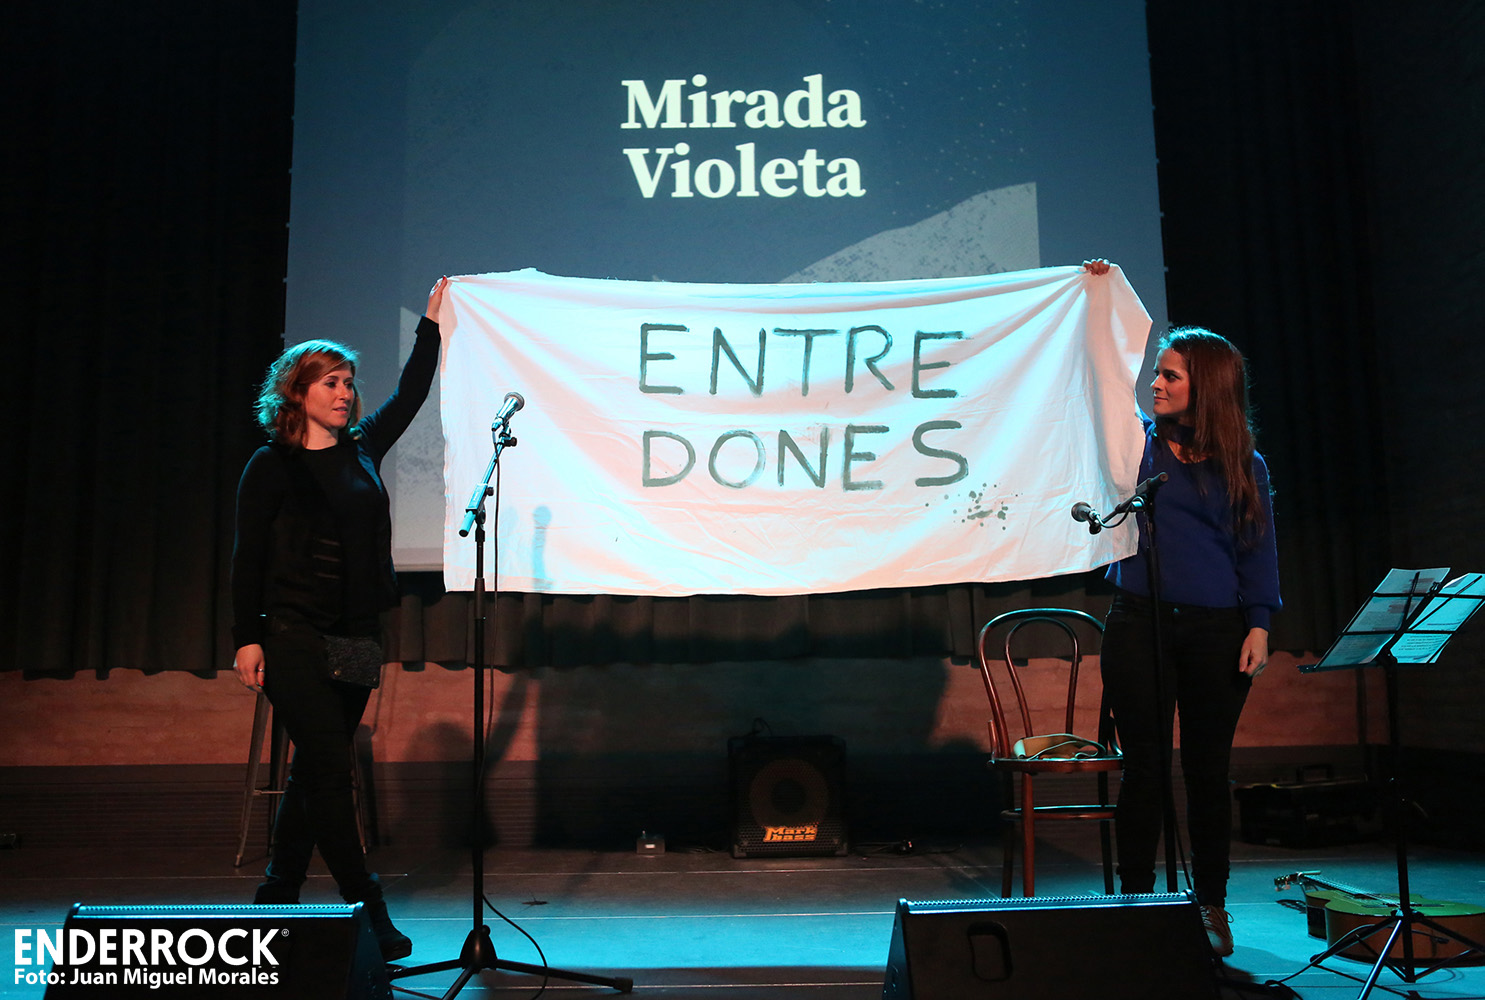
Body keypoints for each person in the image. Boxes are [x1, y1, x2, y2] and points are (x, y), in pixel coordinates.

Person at [231, 277, 449, 962]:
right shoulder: (270, 466)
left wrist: (430, 325)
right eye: (331, 383)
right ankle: (368, 909)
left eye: (349, 383)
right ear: (297, 393)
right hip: (292, 633)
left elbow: (411, 393)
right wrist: (246, 638)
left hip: (357, 637)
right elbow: (246, 558)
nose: (345, 393)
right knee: (330, 772)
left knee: (314, 772)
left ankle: (277, 893)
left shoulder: (363, 449)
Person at [1083, 262, 1281, 959]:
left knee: (1205, 771)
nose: (1156, 383)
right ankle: (1137, 903)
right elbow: (1099, 378)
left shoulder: (1244, 465)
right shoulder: (1134, 446)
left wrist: (1259, 622)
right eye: (1157, 373)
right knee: (1143, 768)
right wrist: (1099, 297)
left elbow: (1257, 549)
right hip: (1139, 623)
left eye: (1169, 375)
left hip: (1218, 631)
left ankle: (1211, 905)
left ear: (1208, 386)